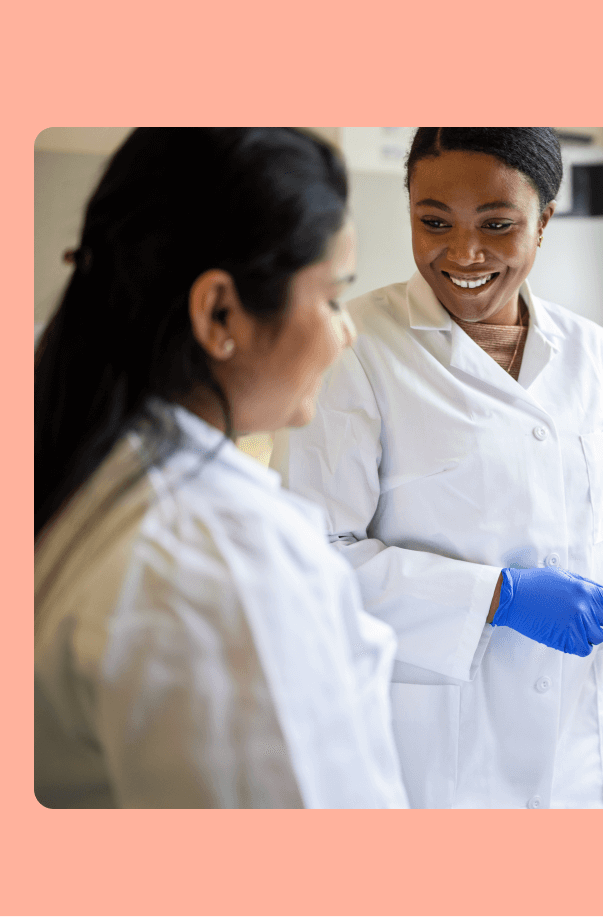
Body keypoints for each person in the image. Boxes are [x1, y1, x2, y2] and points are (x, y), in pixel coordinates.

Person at [271, 127, 603, 808]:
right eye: (434, 222)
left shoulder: (587, 351)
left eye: (498, 224)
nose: (463, 252)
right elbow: (314, 566)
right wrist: (499, 596)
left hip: (580, 749)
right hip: (439, 757)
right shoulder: (357, 349)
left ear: (544, 221)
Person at [34, 128, 408, 809]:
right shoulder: (221, 559)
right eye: (330, 298)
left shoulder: (89, 463)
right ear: (218, 313)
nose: (345, 330)